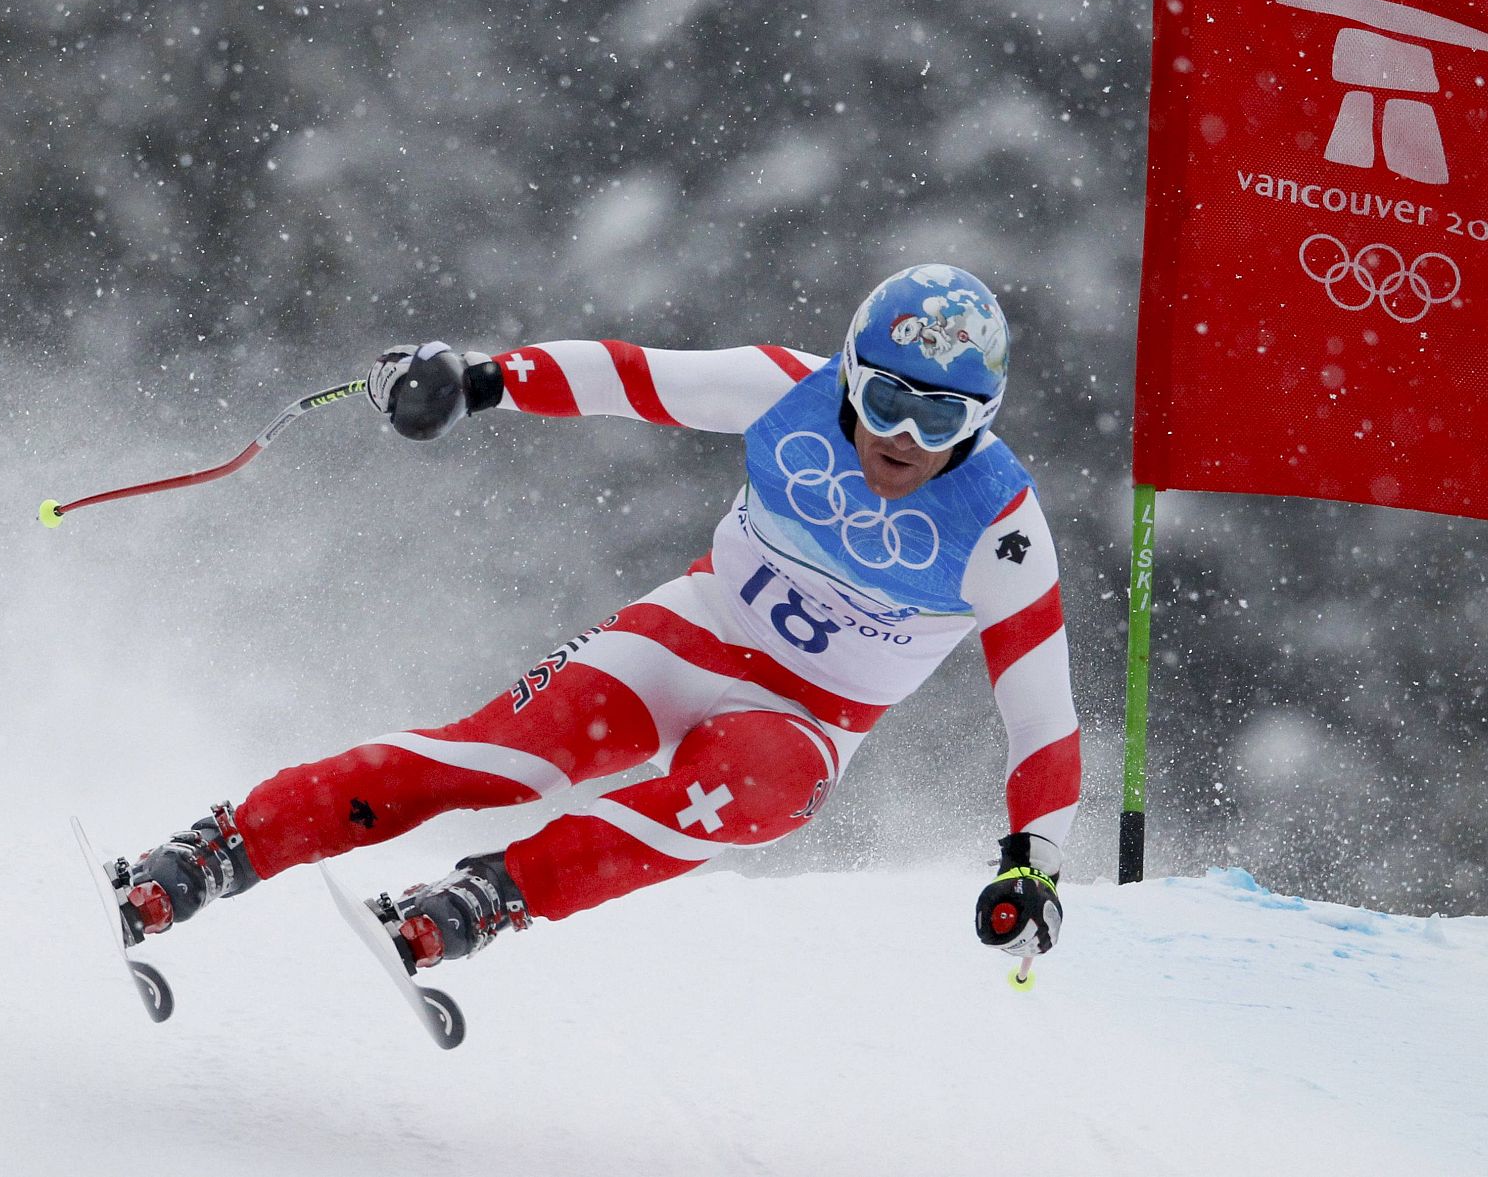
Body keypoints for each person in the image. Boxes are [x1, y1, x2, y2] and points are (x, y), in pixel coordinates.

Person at [108, 264, 1081, 975]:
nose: (901, 438)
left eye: (940, 420)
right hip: (687, 635)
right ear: (846, 375)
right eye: (883, 400)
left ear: (982, 419)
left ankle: (495, 893)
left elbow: (1041, 719)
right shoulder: (789, 390)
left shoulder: (1001, 532)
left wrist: (1030, 865)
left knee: (763, 789)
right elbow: (632, 377)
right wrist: (481, 381)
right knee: (494, 761)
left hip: (808, 720)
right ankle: (219, 847)